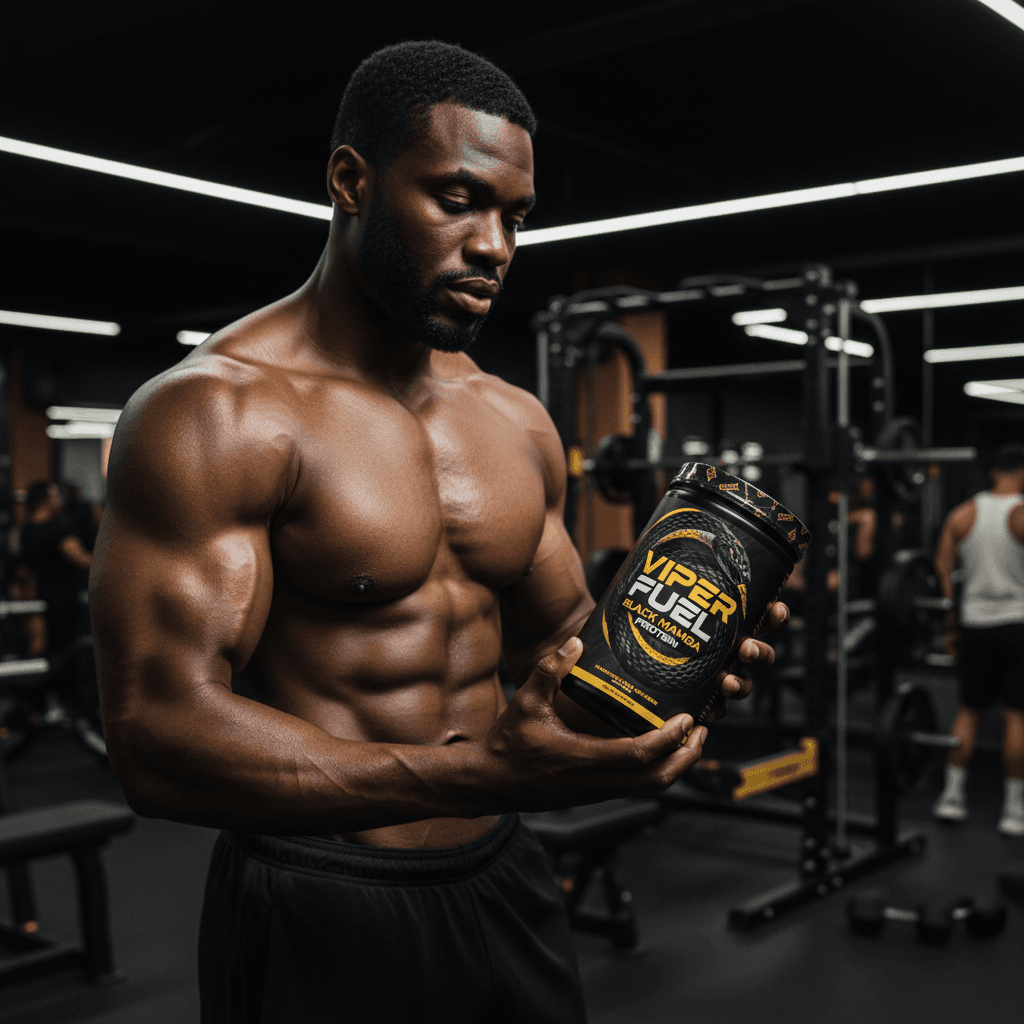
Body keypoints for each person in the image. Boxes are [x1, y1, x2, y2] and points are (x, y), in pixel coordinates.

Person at [90, 41, 785, 1023]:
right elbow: (157, 738)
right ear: (351, 181)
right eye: (458, 200)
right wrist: (473, 772)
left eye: (516, 216)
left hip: (504, 875)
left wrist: (677, 656)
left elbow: (562, 650)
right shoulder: (217, 414)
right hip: (321, 895)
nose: (495, 246)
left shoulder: (515, 420)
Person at [932, 442, 1024, 838]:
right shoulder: (1021, 513)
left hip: (974, 624)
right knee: (1016, 717)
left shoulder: (963, 513)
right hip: (1017, 624)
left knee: (969, 711)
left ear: (993, 472)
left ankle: (951, 798)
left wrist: (950, 625)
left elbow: (943, 571)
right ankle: (1014, 811)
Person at [19, 480, 92, 657]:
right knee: (65, 650)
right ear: (45, 499)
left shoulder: (24, 530)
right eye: (55, 495)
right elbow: (82, 560)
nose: (59, 499)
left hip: (40, 595)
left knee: (50, 649)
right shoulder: (58, 529)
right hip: (63, 600)